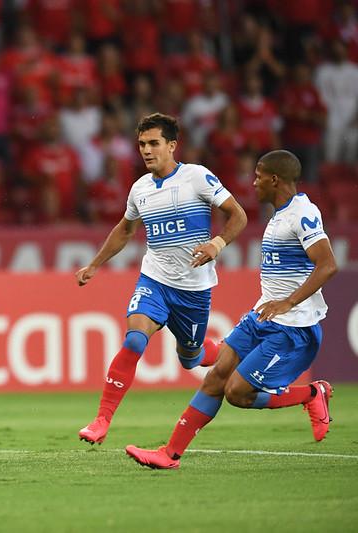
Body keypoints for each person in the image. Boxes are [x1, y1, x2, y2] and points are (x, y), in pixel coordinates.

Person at [125, 150, 338, 469]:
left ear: (275, 179)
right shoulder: (279, 214)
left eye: (259, 175)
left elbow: (328, 264)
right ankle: (169, 455)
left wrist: (288, 302)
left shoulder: (303, 213)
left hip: (294, 327)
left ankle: (311, 393)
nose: (254, 182)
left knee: (238, 393)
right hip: (262, 318)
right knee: (215, 377)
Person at [76, 112, 248, 445]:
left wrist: (218, 242)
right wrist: (95, 264)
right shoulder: (140, 188)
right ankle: (101, 421)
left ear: (172, 145)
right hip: (154, 280)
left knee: (191, 358)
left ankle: (229, 349)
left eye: (154, 143)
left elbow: (237, 215)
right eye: (141, 144)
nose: (146, 150)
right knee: (135, 339)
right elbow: (125, 229)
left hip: (193, 290)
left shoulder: (197, 177)